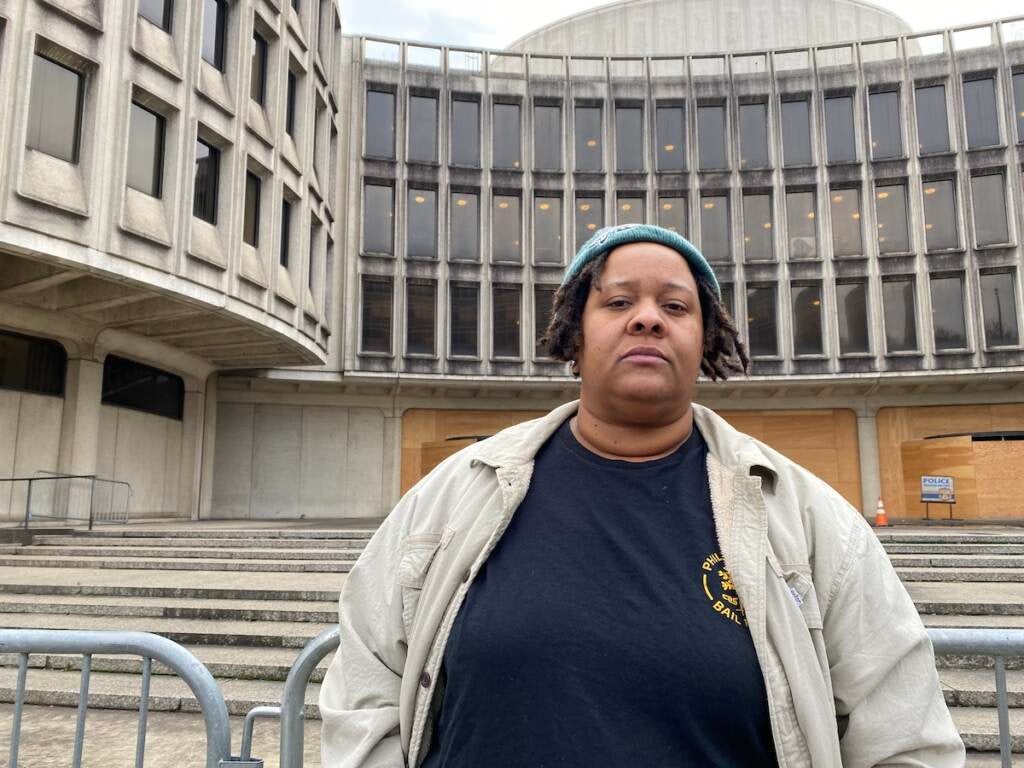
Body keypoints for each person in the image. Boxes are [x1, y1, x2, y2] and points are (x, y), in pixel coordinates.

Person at [320, 224, 965, 767]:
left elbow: (905, 733)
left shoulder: (807, 516)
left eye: (676, 307)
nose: (648, 317)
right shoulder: (458, 491)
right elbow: (367, 679)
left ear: (703, 340)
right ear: (575, 336)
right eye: (617, 301)